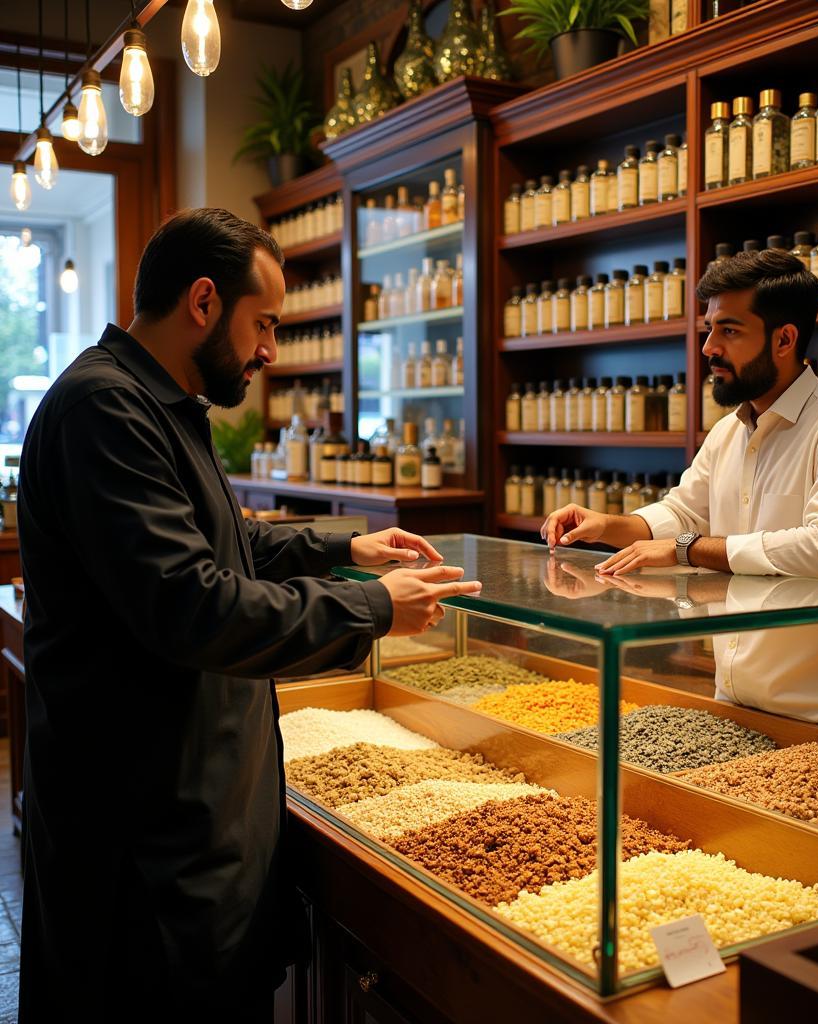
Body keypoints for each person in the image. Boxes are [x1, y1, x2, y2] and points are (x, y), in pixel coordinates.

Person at [17, 208, 481, 1021]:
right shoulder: (105, 410)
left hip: (182, 822)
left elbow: (227, 545)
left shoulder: (159, 404)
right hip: (140, 844)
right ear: (203, 301)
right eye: (262, 323)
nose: (270, 350)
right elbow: (195, 605)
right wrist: (371, 607)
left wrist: (348, 547)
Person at [541, 249, 818, 741]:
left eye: (728, 331)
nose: (709, 347)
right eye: (709, 329)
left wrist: (689, 549)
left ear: (784, 339)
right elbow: (680, 512)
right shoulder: (729, 431)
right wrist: (607, 525)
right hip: (736, 707)